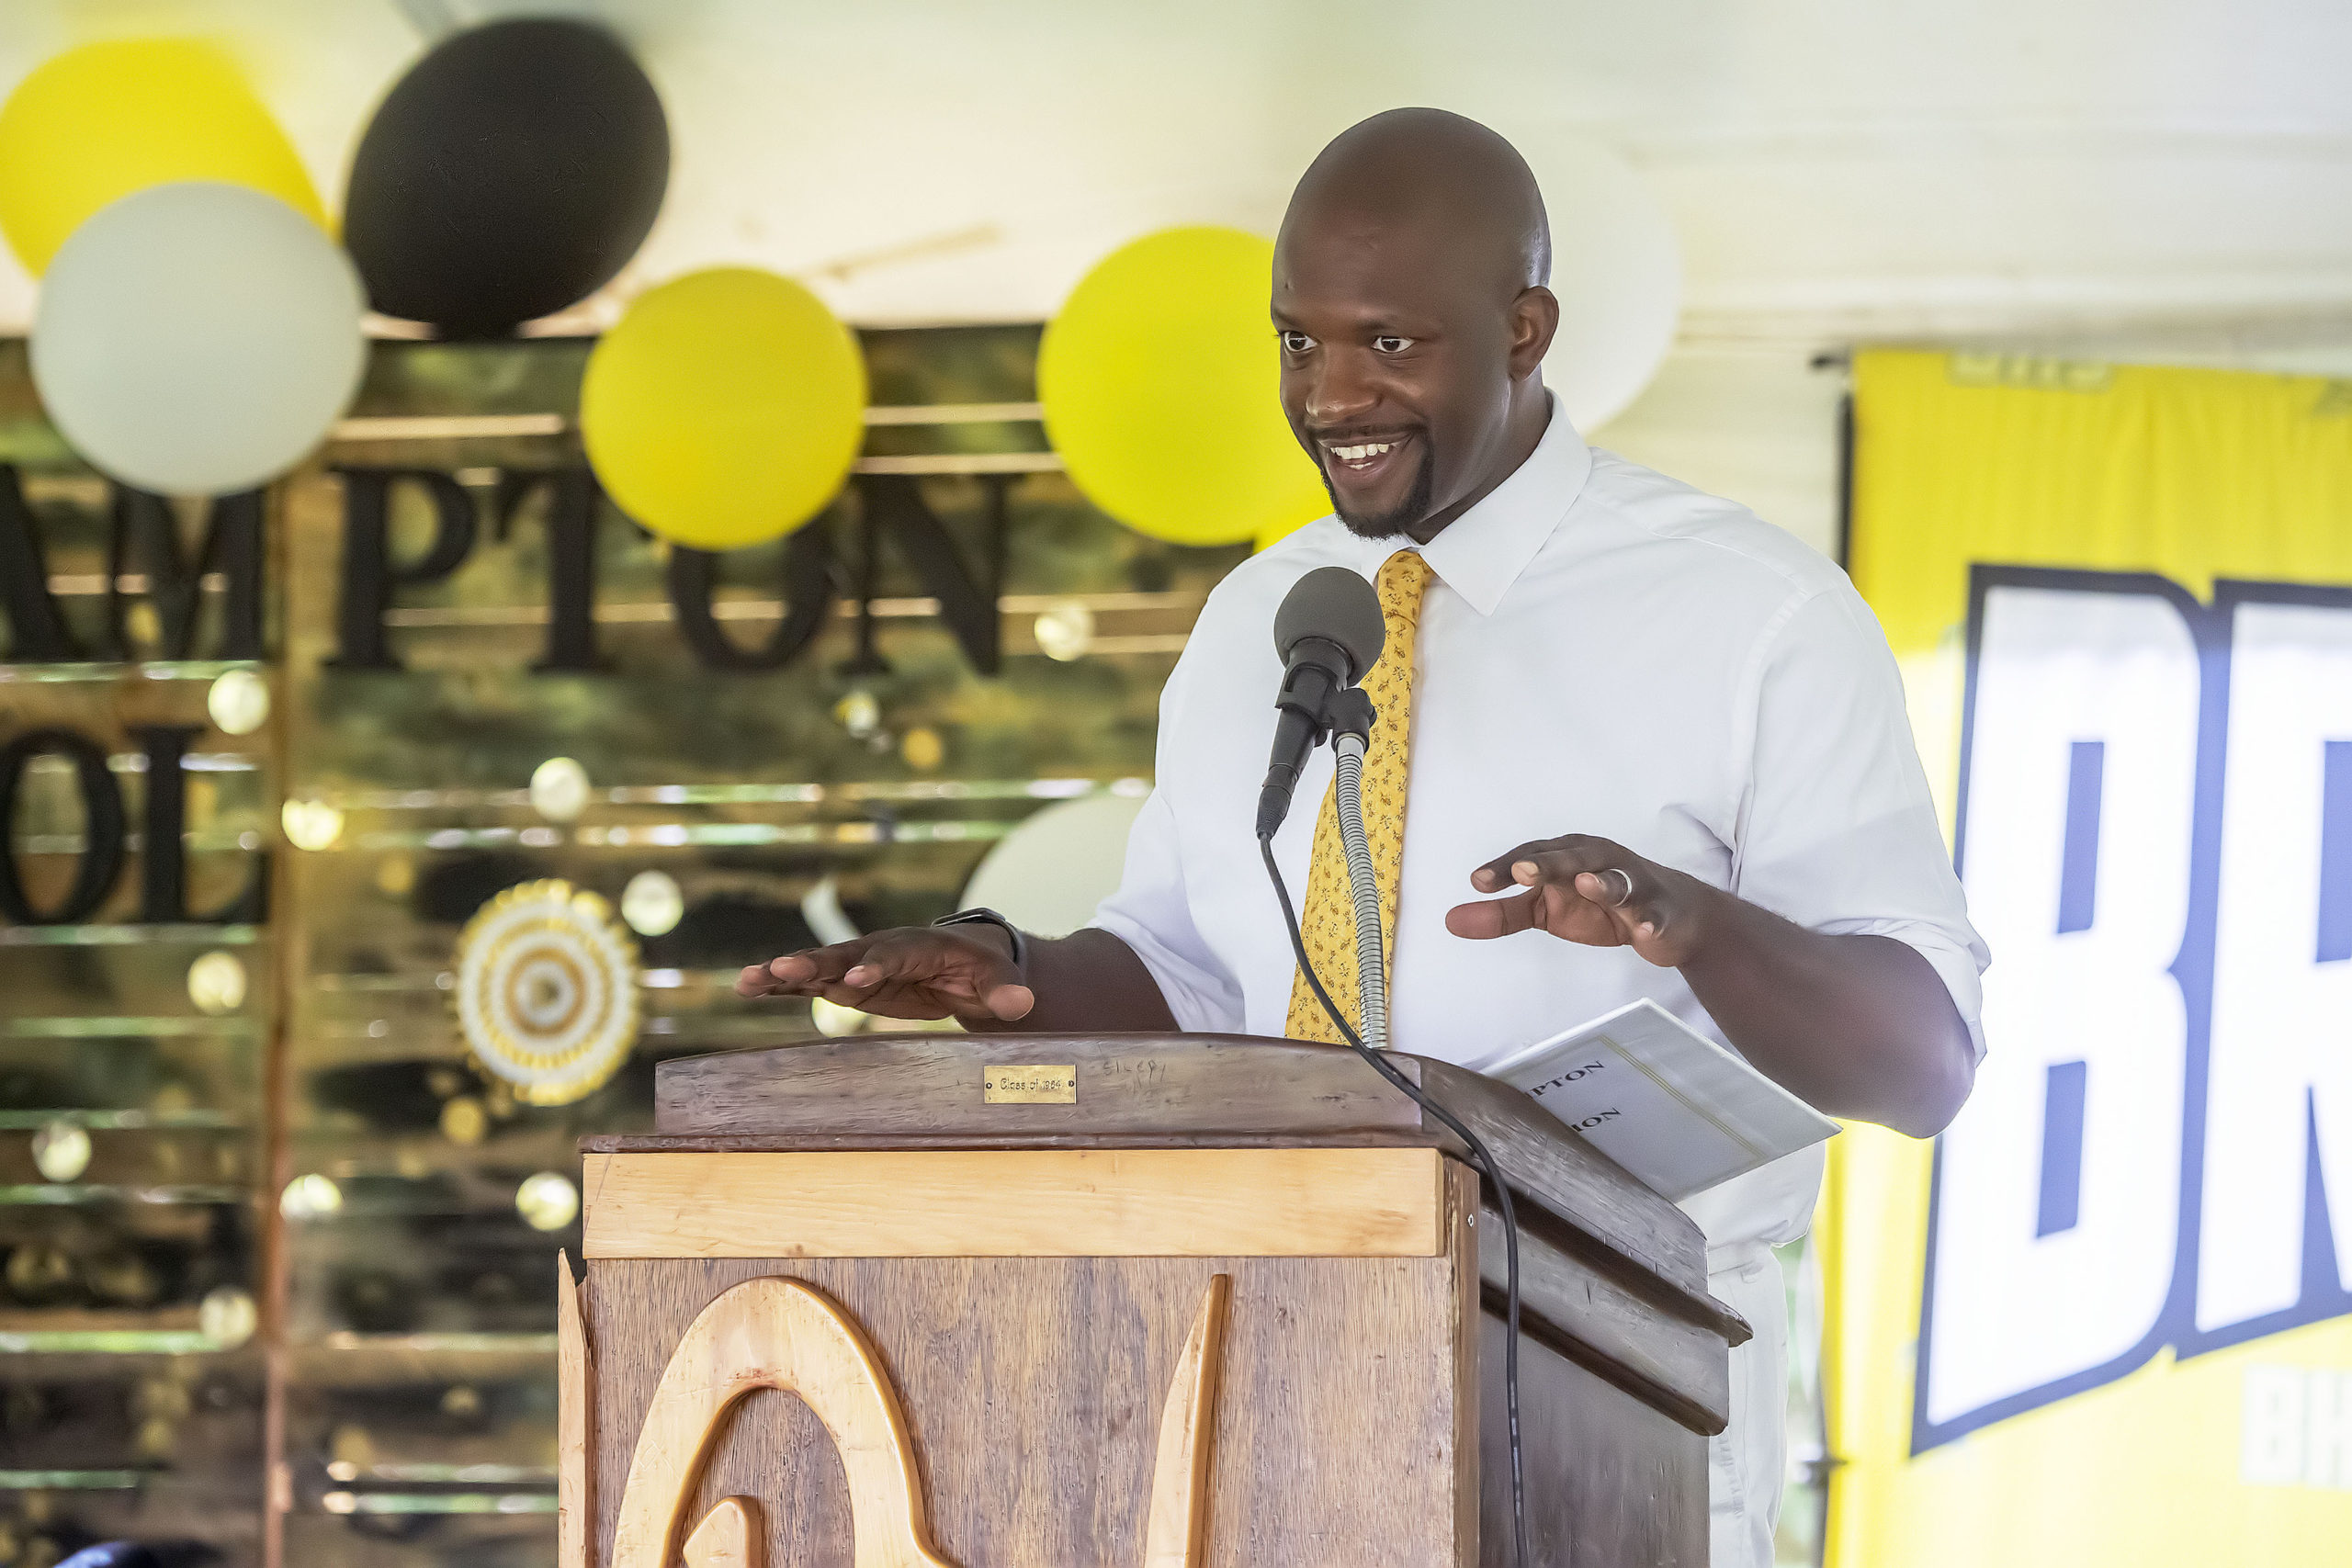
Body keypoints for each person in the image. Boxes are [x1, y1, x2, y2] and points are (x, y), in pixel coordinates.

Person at [740, 107, 1986, 1568]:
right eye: (1296, 343)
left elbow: (1927, 1063)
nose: (1330, 394)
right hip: (1273, 1394)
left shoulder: (1752, 616)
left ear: (1525, 329)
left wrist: (1686, 924)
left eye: (1389, 345)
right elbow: (1201, 980)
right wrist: (1004, 972)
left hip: (1617, 1429)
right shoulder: (1258, 623)